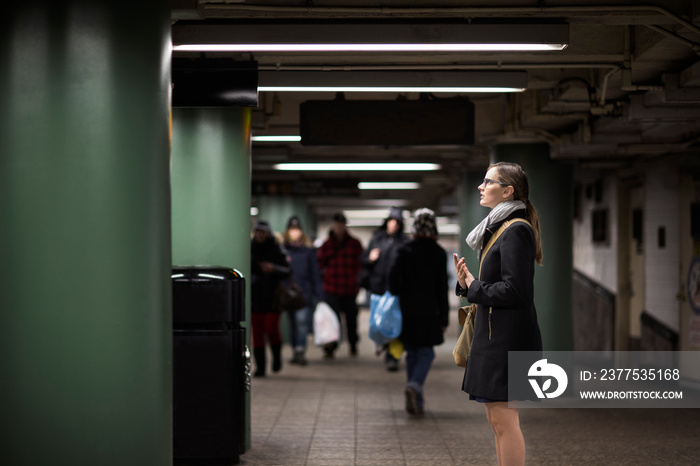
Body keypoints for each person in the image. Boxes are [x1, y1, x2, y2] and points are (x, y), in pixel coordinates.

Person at [453, 162, 543, 466]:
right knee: (498, 422)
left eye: (487, 182)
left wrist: (475, 287)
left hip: (506, 340)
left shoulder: (516, 230)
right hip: (497, 337)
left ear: (508, 191)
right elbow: (497, 285)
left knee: (505, 423)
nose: (481, 187)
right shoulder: (501, 226)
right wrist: (468, 284)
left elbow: (516, 291)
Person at [388, 208, 449, 415]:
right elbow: (442, 288)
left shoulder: (404, 250)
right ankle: (414, 386)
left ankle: (418, 400)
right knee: (427, 352)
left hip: (406, 308)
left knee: (412, 351)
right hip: (429, 309)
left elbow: (392, 280)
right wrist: (444, 316)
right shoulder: (439, 253)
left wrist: (399, 293)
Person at [360, 207, 409, 371]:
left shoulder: (404, 242)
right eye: (391, 221)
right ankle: (382, 343)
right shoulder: (377, 239)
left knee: (394, 323)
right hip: (378, 288)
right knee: (378, 322)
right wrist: (370, 258)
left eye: (397, 222)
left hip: (396, 290)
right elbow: (364, 261)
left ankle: (393, 356)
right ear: (387, 222)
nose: (394, 225)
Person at [316, 212, 364, 358]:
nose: (339, 227)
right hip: (332, 289)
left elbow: (361, 264)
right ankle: (331, 347)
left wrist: (357, 280)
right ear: (333, 225)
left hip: (349, 288)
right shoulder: (326, 245)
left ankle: (353, 345)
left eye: (341, 224)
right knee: (332, 320)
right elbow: (319, 264)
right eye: (336, 224)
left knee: (351, 321)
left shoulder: (354, 244)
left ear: (344, 225)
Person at [250, 220, 290, 377]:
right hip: (255, 296)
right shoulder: (249, 249)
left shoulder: (277, 249)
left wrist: (273, 269)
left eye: (263, 232)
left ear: (268, 233)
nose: (260, 235)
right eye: (257, 231)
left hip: (273, 296)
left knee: (271, 329)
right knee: (257, 333)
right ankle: (260, 367)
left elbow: (287, 270)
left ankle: (276, 358)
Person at [282, 216, 324, 366]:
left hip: (304, 294)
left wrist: (319, 294)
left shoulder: (308, 252)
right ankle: (295, 349)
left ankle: (300, 350)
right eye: (292, 230)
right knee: (293, 323)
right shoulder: (284, 251)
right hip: (288, 294)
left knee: (301, 323)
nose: (295, 233)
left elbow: (315, 273)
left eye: (297, 229)